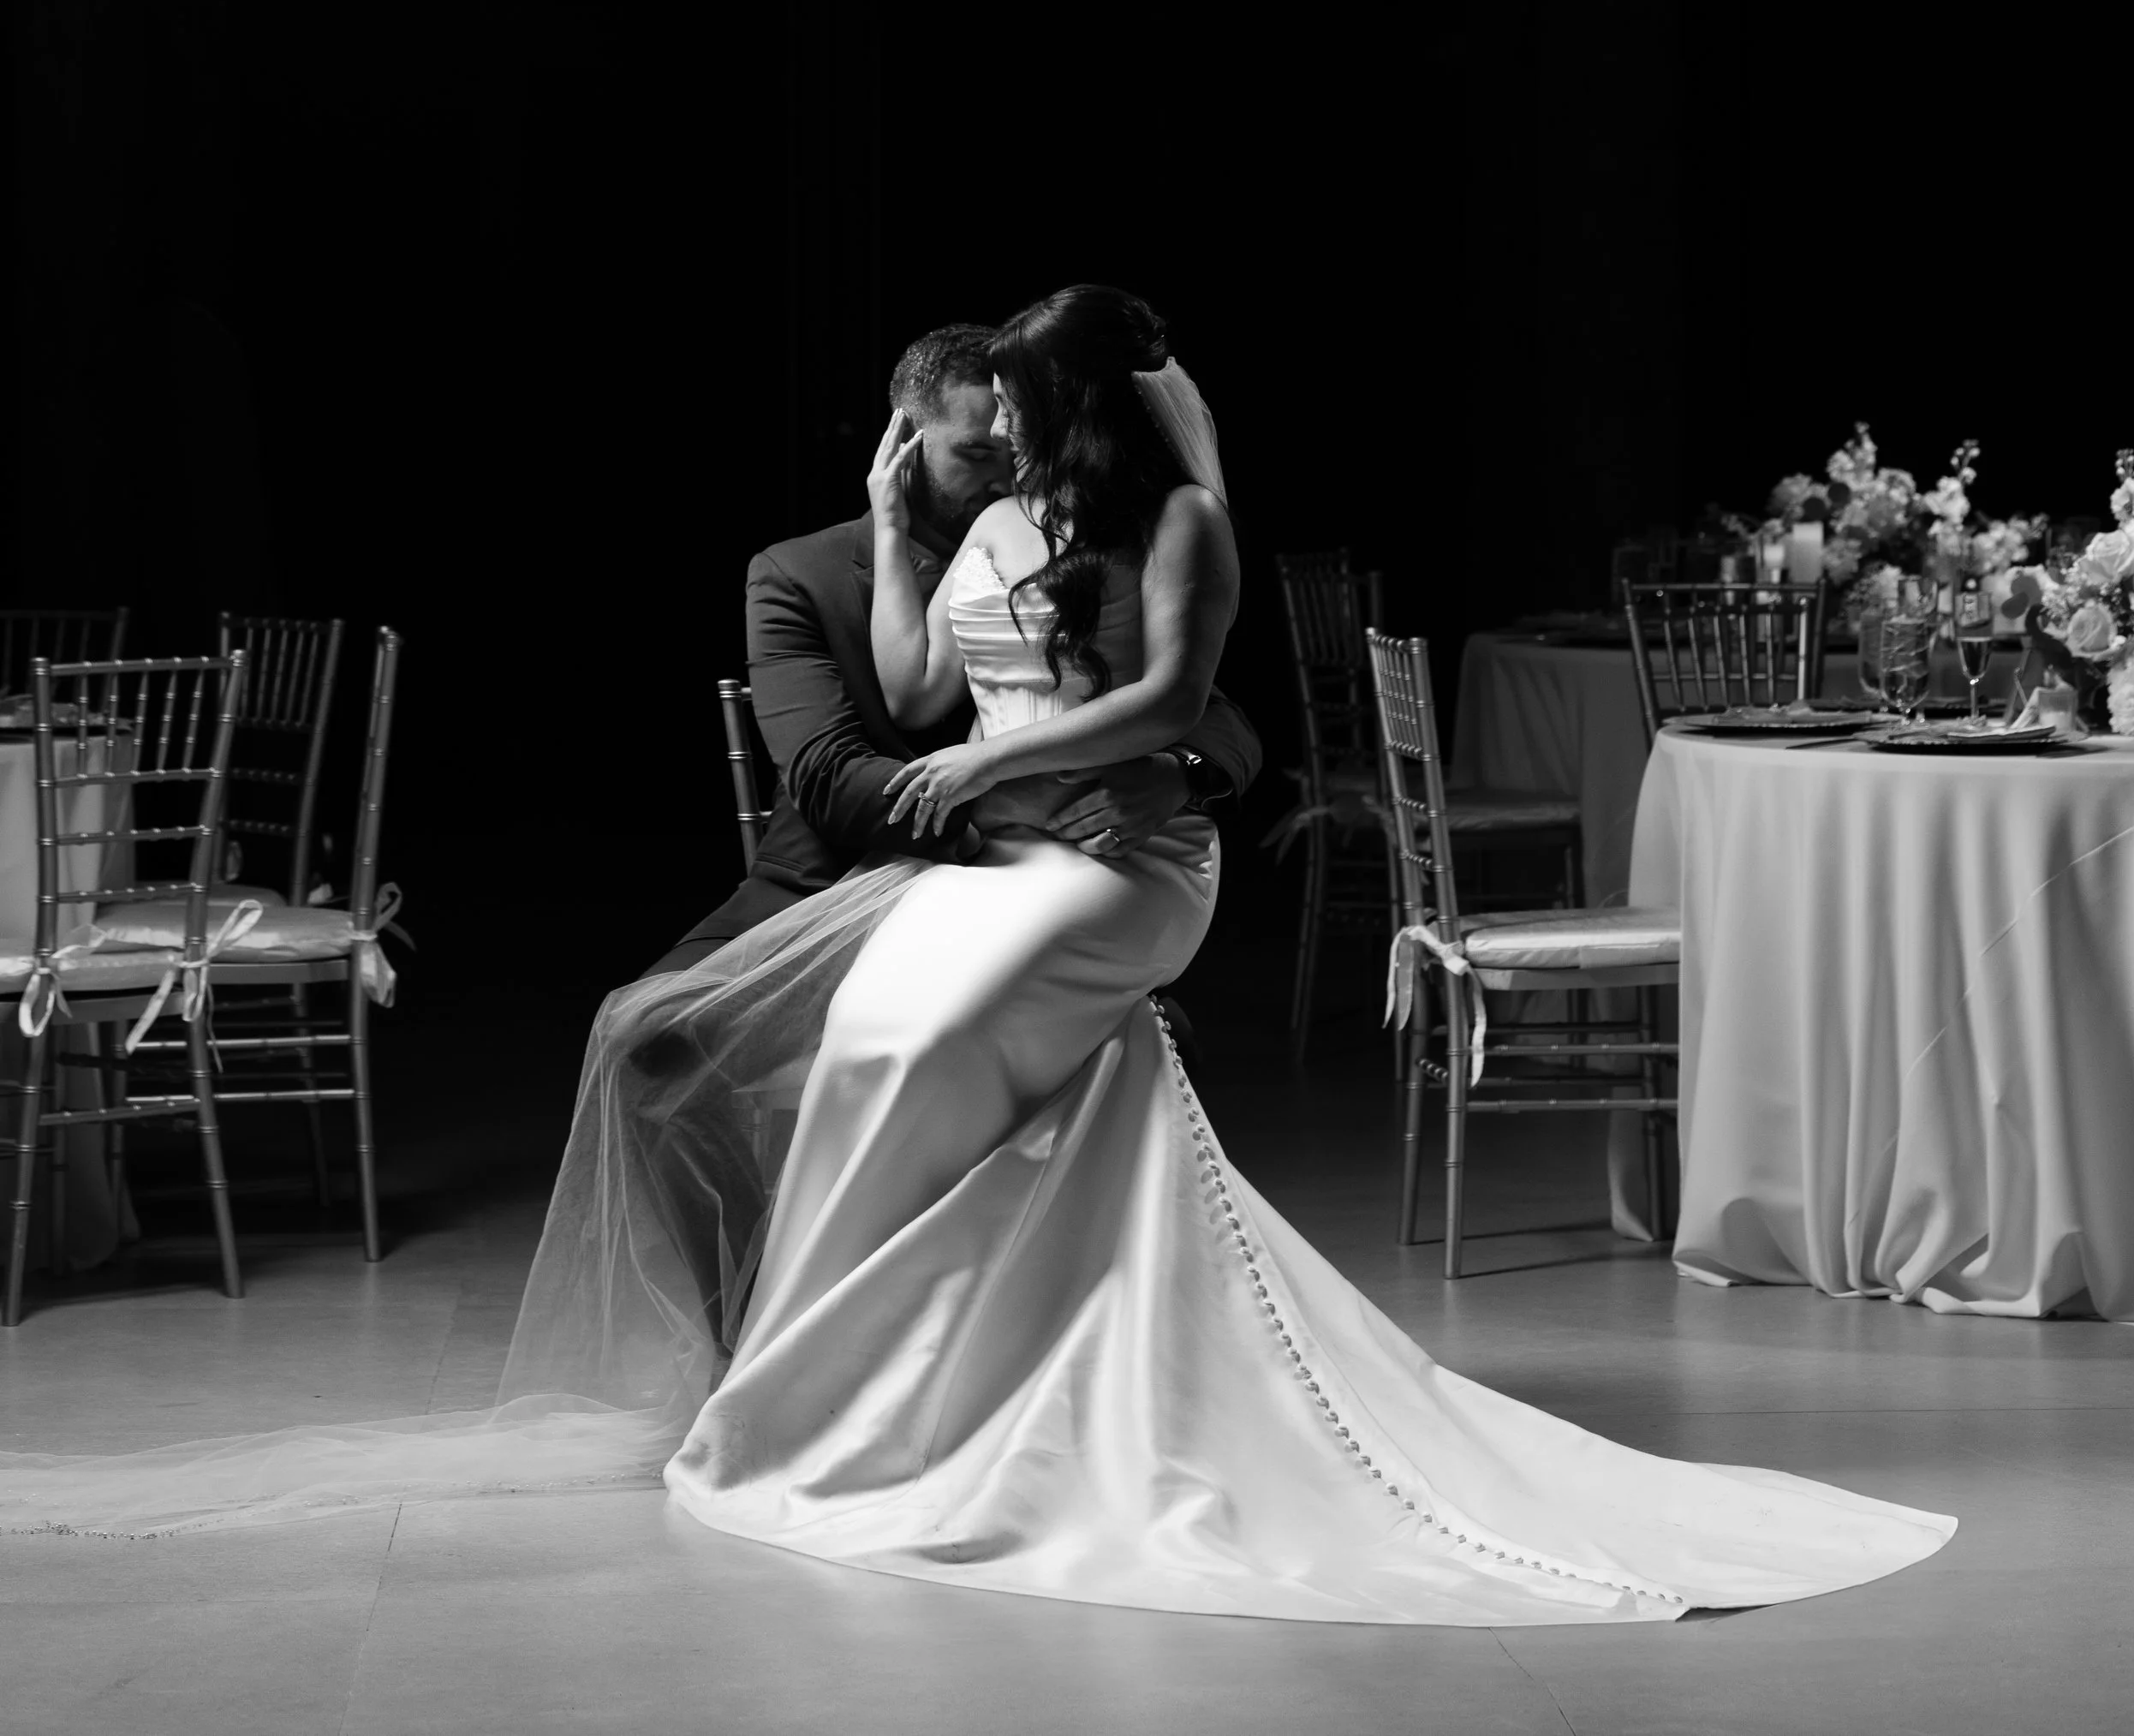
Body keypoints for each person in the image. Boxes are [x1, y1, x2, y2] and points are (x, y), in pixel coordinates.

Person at [0, 286, 1956, 1622]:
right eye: (973, 428)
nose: (1000, 440)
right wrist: (914, 559)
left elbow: (1180, 715)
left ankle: (834, 1410)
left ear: (1078, 405)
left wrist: (1018, 754)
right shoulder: (996, 527)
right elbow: (921, 688)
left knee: (902, 1043)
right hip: (1001, 852)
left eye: (1020, 414)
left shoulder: (1177, 520)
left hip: (1124, 863)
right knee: (858, 1041)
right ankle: (842, 1398)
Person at [646, 320, 1262, 969]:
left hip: (1070, 869)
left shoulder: (1089, 542)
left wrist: (1179, 776)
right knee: (652, 1037)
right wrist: (1007, 798)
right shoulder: (797, 575)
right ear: (906, 443)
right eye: (974, 452)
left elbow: (1211, 711)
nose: (1006, 471)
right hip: (833, 873)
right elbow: (828, 776)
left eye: (1014, 436)